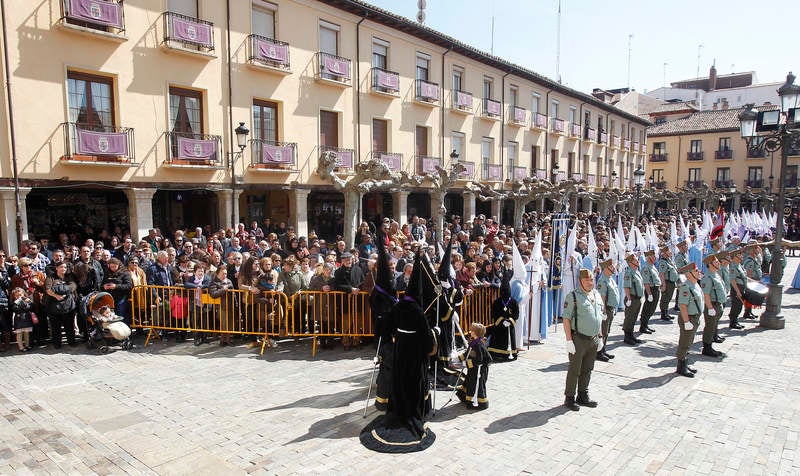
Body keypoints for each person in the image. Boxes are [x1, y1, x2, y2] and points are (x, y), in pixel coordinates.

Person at [359, 251, 437, 453]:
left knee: (400, 378)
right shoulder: (418, 311)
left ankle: (397, 408)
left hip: (400, 347)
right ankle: (413, 411)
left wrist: (395, 335)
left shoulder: (399, 305)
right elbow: (426, 339)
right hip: (415, 351)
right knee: (414, 380)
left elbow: (387, 327)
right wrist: (433, 338)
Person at [562, 268, 604, 411]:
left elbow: (599, 317)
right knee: (575, 370)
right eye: (586, 280)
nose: (590, 282)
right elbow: (566, 319)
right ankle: (569, 397)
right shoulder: (573, 296)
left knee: (588, 369)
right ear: (580, 281)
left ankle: (583, 395)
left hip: (593, 339)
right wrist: (569, 340)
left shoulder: (596, 294)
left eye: (591, 280)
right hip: (578, 339)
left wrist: (600, 337)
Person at [676, 263, 703, 378]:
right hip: (688, 317)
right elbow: (682, 306)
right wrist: (686, 322)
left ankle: (685, 363)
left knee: (689, 342)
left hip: (695, 317)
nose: (699, 272)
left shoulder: (695, 284)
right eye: (696, 270)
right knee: (684, 343)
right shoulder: (686, 287)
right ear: (689, 273)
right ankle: (681, 366)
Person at [455, 322, 491, 410]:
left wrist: (467, 363)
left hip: (479, 370)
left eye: (472, 330)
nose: (470, 332)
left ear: (475, 332)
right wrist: (458, 358)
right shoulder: (474, 342)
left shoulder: (479, 344)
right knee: (469, 383)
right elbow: (468, 353)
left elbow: (479, 360)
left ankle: (478, 402)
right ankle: (465, 397)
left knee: (476, 386)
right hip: (473, 369)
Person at [44, 262, 78, 348]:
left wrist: (58, 289)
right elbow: (48, 289)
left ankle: (71, 342)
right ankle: (57, 344)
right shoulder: (51, 277)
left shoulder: (69, 277)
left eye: (65, 267)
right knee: (55, 326)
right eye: (61, 267)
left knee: (69, 325)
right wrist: (57, 296)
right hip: (53, 305)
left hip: (68, 305)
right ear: (56, 268)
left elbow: (73, 287)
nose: (63, 269)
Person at [487, 274, 518, 361]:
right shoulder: (497, 302)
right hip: (499, 326)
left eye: (506, 290)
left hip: (509, 326)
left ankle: (510, 353)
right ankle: (497, 354)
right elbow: (494, 313)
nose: (505, 292)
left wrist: (510, 320)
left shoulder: (513, 302)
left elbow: (516, 314)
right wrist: (501, 320)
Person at [699, 254, 725, 358]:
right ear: (710, 264)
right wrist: (710, 308)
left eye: (718, 261)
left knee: (713, 326)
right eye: (716, 262)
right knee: (710, 327)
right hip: (712, 305)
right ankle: (707, 348)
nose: (718, 263)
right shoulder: (707, 277)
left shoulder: (716, 275)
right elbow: (706, 294)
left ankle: (710, 345)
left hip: (717, 304)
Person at [595, 258, 619, 362]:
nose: (613, 268)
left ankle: (603, 349)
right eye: (611, 266)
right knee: (603, 331)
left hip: (611, 308)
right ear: (605, 268)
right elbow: (602, 297)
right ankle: (598, 352)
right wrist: (603, 311)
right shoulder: (602, 280)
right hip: (606, 309)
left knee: (607, 331)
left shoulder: (610, 278)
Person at [622, 253, 644, 345]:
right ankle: (627, 336)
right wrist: (629, 299)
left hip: (637, 298)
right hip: (632, 298)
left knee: (634, 317)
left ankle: (631, 335)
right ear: (630, 262)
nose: (637, 261)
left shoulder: (637, 271)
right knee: (629, 318)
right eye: (635, 260)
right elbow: (626, 286)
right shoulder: (629, 272)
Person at [639, 250, 661, 335]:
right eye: (653, 256)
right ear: (648, 258)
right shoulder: (646, 267)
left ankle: (646, 324)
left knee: (652, 308)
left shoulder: (652, 266)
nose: (655, 257)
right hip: (651, 289)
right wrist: (649, 294)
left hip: (655, 289)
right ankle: (643, 326)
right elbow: (646, 282)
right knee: (648, 308)